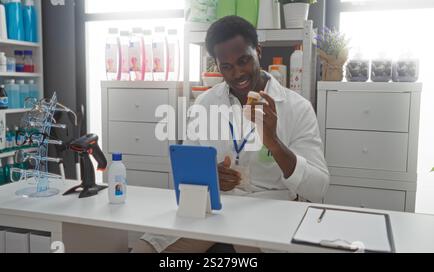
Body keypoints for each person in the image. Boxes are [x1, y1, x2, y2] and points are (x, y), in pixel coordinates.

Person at [133, 16, 329, 253]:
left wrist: (274, 144)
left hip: (268, 210)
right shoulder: (204, 104)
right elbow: (188, 172)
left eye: (243, 61)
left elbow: (318, 188)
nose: (237, 73)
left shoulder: (297, 107)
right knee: (144, 249)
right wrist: (210, 176)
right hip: (214, 209)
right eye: (226, 66)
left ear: (258, 51)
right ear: (216, 65)